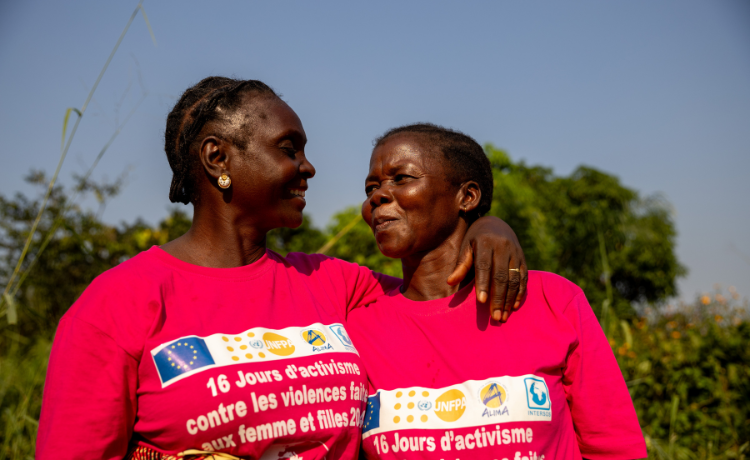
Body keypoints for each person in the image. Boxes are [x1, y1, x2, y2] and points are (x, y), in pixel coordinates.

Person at [35, 78, 528, 460]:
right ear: (217, 157)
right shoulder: (118, 302)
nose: (309, 167)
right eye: (289, 149)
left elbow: (436, 293)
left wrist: (486, 225)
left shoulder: (335, 284)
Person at [347, 123, 647, 459]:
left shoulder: (551, 300)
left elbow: (614, 447)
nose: (377, 196)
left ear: (467, 196)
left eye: (401, 178)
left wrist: (490, 223)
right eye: (371, 187)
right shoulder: (356, 326)